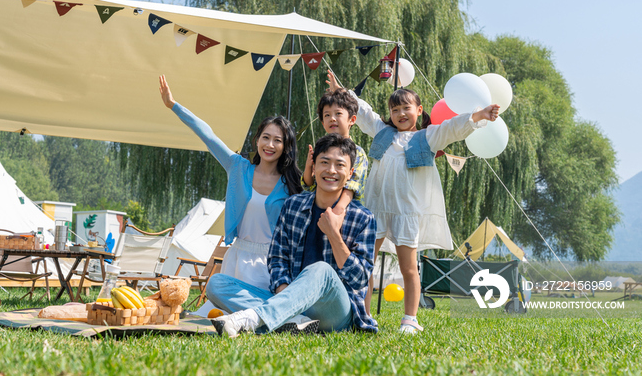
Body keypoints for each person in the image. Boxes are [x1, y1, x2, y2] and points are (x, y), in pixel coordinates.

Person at [327, 72, 499, 334]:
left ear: (419, 110)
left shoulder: (428, 137)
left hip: (407, 212)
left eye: (406, 108)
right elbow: (363, 112)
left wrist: (479, 115)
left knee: (409, 267)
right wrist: (342, 92)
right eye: (395, 109)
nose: (400, 114)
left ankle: (410, 318)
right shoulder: (383, 132)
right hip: (376, 209)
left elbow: (452, 127)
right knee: (366, 264)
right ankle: (363, 314)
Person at [206, 133, 377, 337]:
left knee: (321, 270)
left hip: (335, 311)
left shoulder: (363, 218)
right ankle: (295, 321)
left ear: (350, 173)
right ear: (313, 168)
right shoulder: (293, 206)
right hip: (293, 300)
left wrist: (334, 235)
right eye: (324, 162)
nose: (331, 170)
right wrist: (285, 292)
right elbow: (277, 258)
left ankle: (253, 319)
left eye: (339, 165)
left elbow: (360, 280)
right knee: (217, 284)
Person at [158, 75, 302, 290]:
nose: (270, 144)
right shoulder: (238, 168)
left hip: (274, 263)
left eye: (278, 140)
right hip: (238, 258)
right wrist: (174, 106)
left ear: (285, 147)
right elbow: (208, 136)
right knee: (222, 302)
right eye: (265, 137)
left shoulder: (290, 184)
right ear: (257, 140)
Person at [301, 84, 369, 208]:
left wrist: (336, 212)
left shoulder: (358, 152)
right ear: (322, 122)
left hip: (346, 212)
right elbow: (309, 185)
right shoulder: (321, 149)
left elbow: (352, 187)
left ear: (352, 119)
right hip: (319, 208)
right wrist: (309, 167)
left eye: (338, 114)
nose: (332, 118)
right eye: (327, 115)